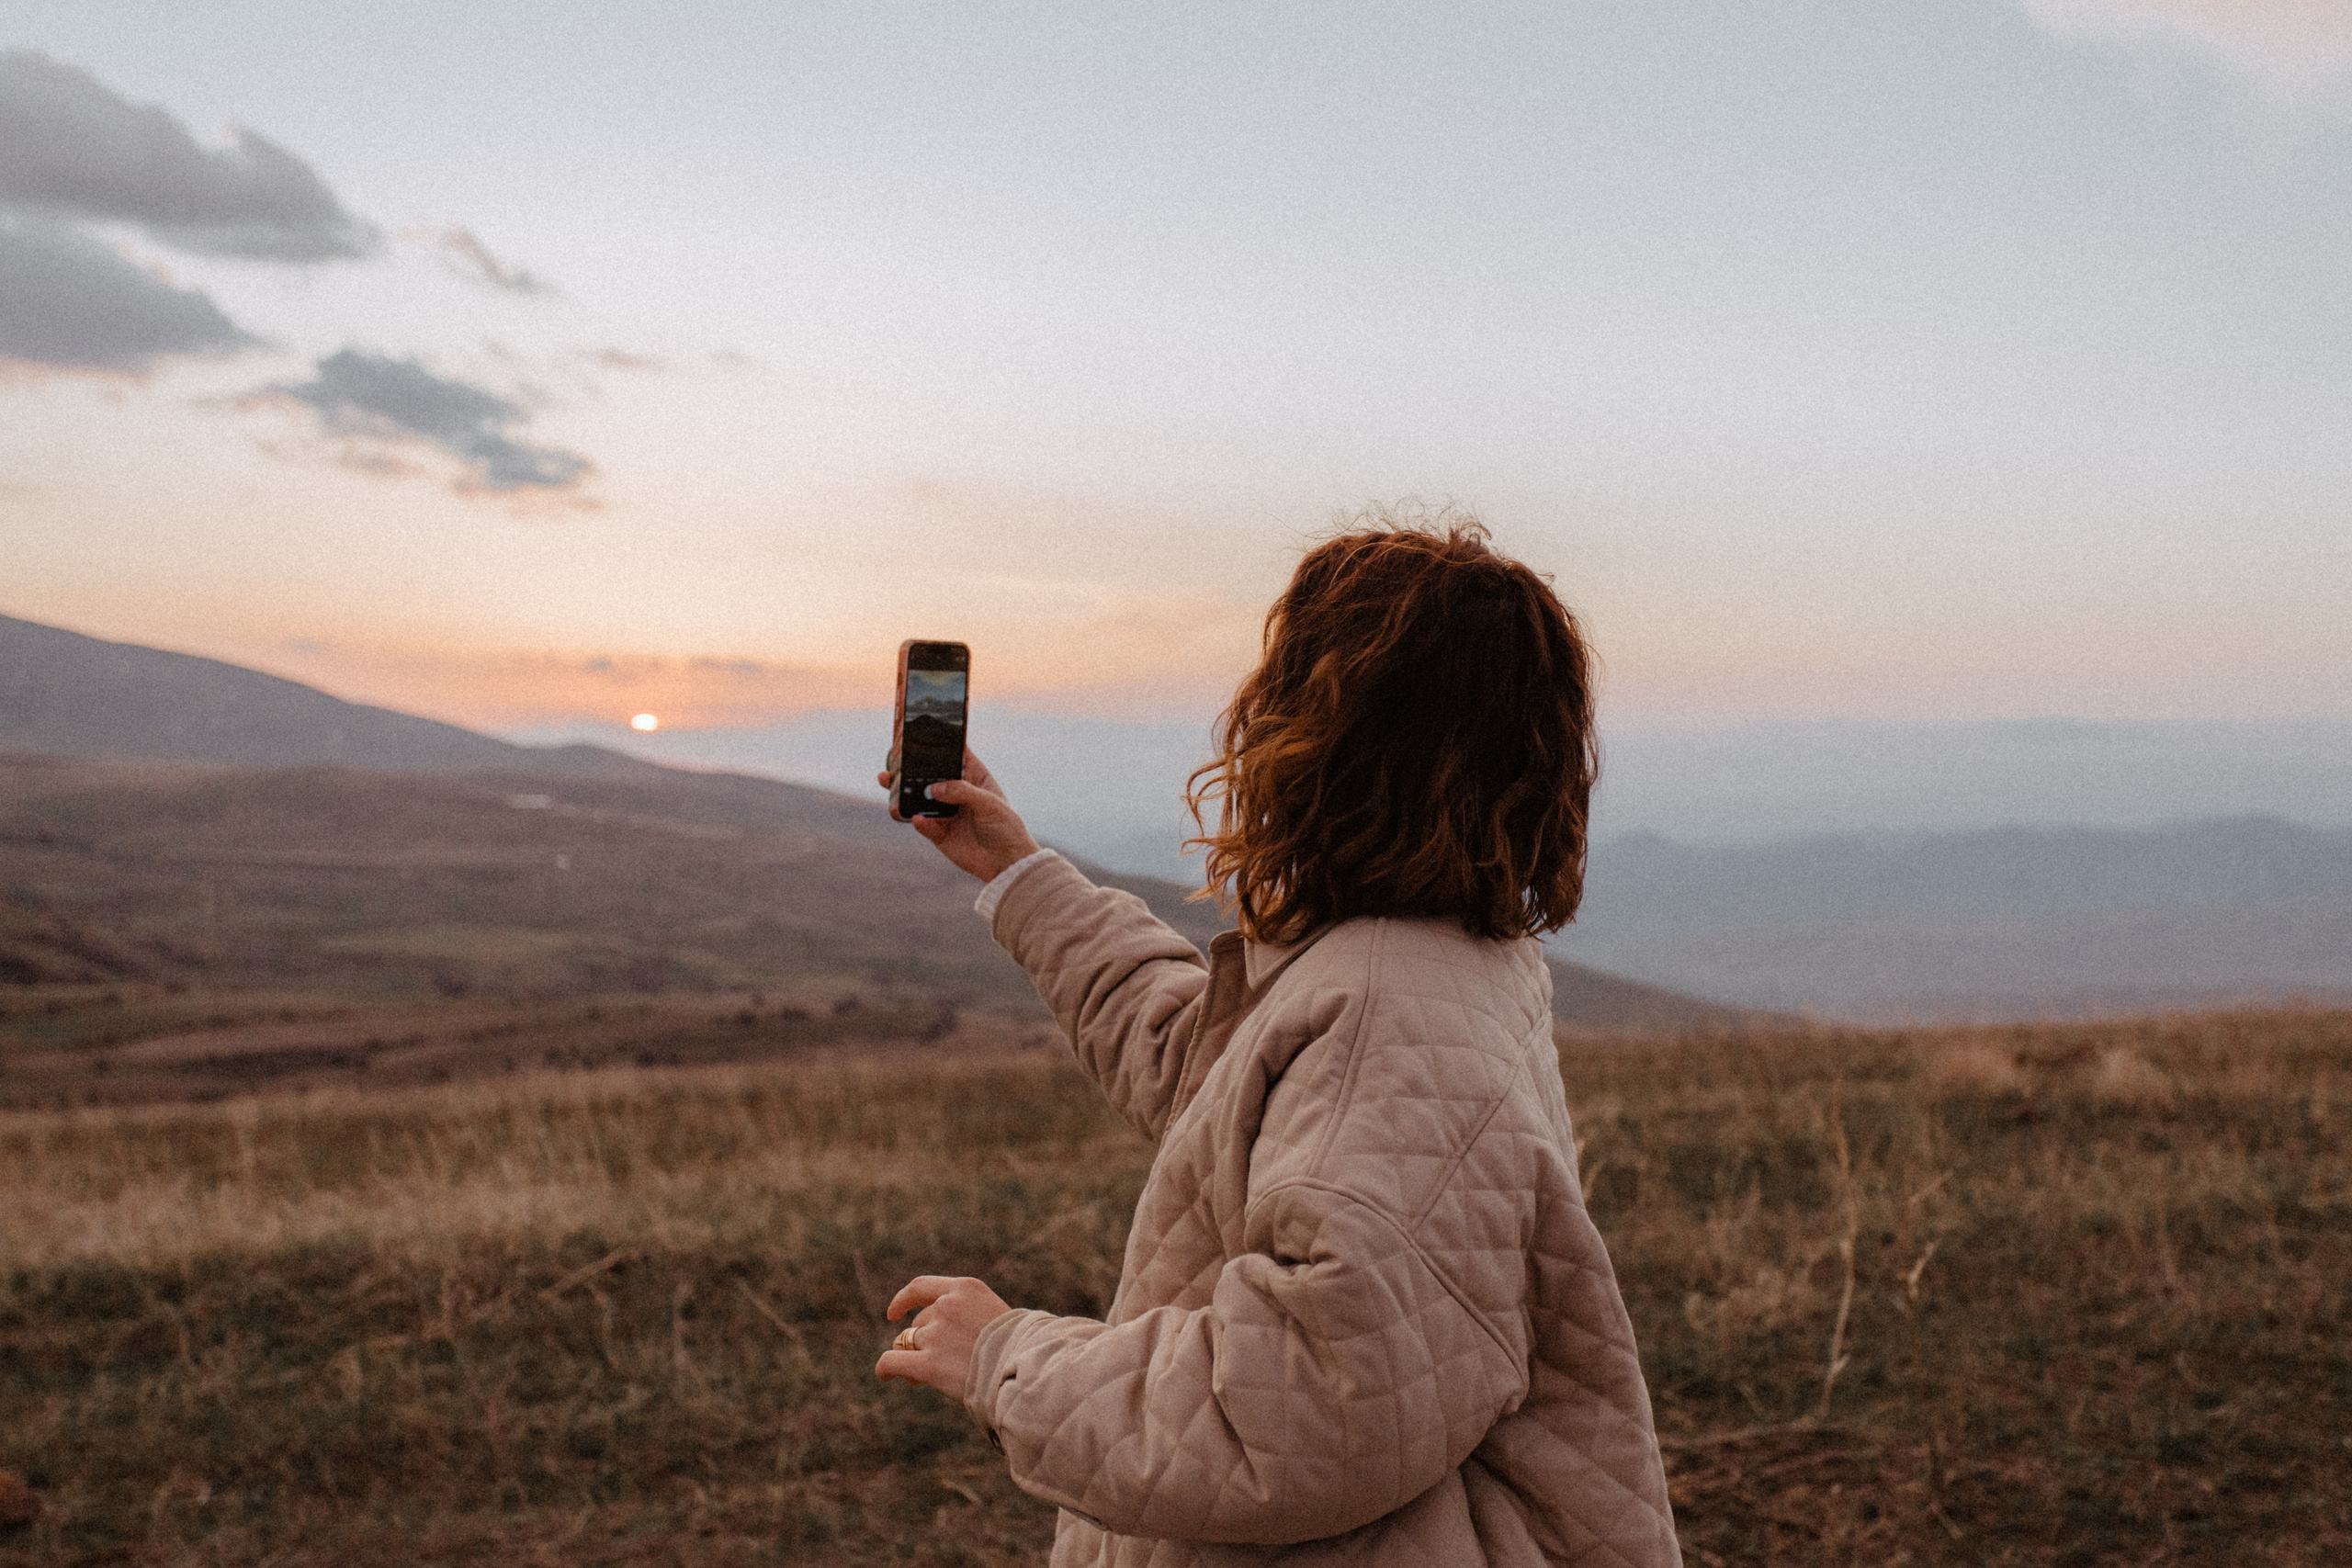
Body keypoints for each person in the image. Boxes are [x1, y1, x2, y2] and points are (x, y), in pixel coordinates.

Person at [874, 517, 1680, 1566]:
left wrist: (1009, 1356)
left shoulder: (1386, 1016)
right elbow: (1202, 1077)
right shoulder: (1425, 962)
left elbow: (1304, 1412)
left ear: (1327, 737)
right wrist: (1019, 872)